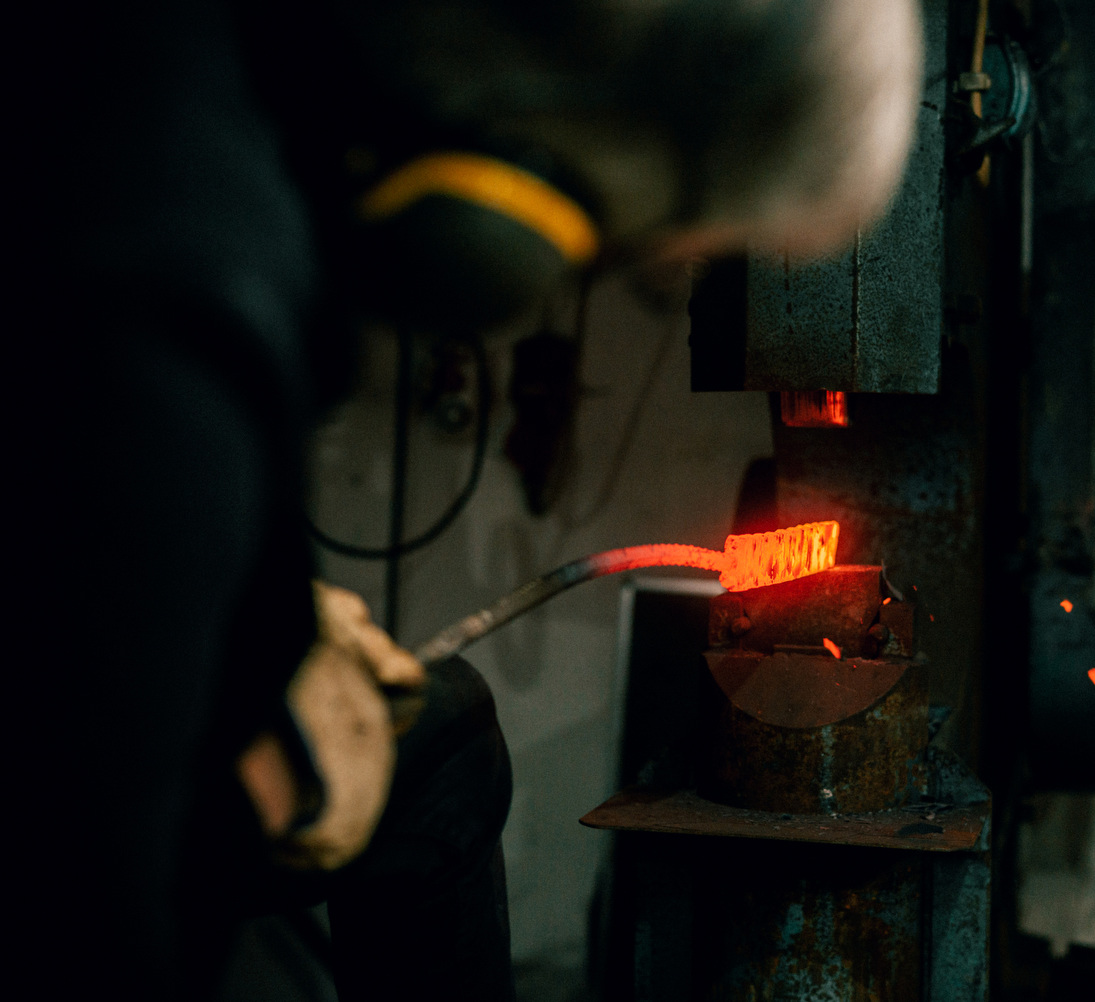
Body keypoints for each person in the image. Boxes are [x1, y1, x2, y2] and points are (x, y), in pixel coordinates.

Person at [15, 0, 919, 996]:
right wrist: (268, 777)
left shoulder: (189, 86)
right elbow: (81, 908)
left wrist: (273, 620)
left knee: (444, 731)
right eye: (638, 261)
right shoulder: (172, 305)